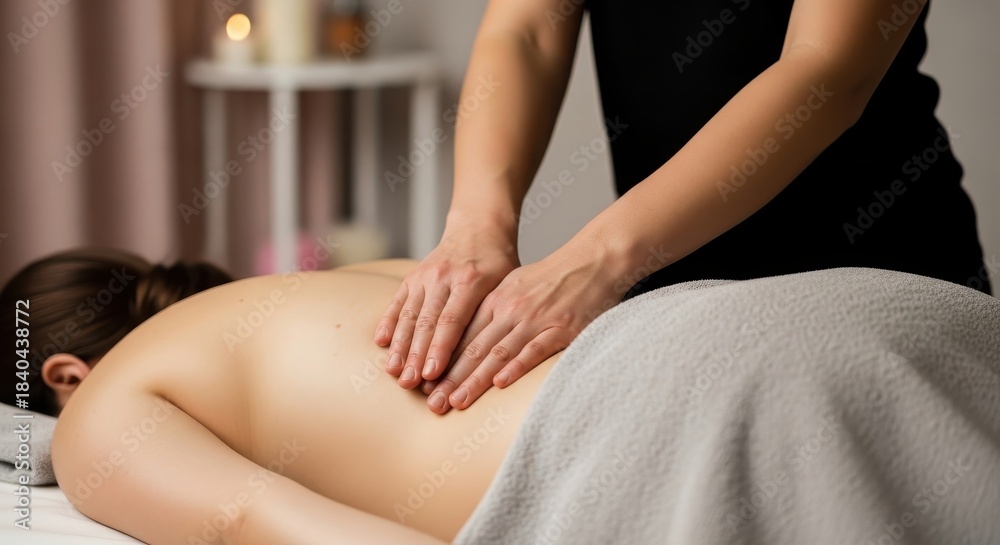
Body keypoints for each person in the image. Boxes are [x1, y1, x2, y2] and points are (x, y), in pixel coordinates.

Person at [374, 0, 992, 415]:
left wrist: (598, 260)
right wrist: (476, 228)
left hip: (874, 266)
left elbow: (828, 69)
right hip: (672, 298)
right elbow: (527, 28)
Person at [1, 249, 561, 544]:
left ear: (66, 377)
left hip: (579, 442)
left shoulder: (99, 411)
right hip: (633, 331)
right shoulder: (340, 280)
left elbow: (248, 520)